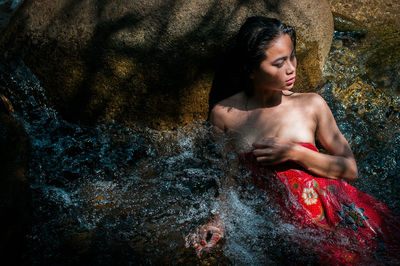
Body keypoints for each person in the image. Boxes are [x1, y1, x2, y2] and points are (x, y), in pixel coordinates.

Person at [185, 16, 400, 264]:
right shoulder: (224, 115)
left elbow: (350, 169)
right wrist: (218, 221)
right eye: (279, 63)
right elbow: (230, 178)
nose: (291, 68)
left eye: (292, 56)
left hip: (344, 212)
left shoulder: (311, 104)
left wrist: (295, 153)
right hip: (292, 231)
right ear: (251, 70)